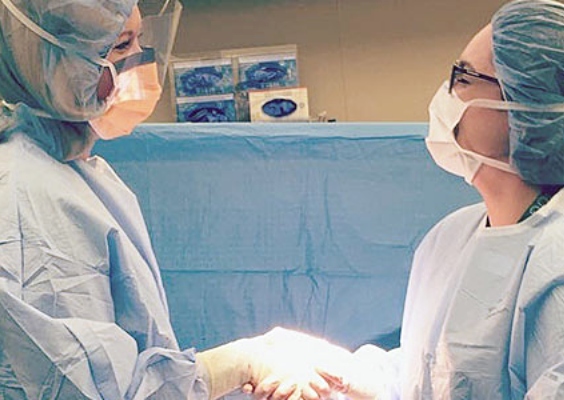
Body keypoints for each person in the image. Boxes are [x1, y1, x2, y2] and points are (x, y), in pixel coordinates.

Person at [0, 1, 346, 399]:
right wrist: (240, 363)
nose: (138, 62)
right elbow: (84, 388)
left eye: (140, 40)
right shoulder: (23, 201)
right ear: (48, 59)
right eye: (120, 45)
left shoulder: (74, 172)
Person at [272, 0, 564, 399]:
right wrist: (350, 375)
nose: (445, 93)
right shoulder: (453, 237)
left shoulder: (555, 268)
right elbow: (432, 373)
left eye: (462, 77)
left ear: (524, 106)